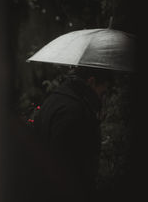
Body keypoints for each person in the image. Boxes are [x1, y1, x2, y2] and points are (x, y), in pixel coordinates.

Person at [32, 66, 114, 202]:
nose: (102, 98)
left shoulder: (56, 99)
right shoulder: (75, 112)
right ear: (92, 82)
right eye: (102, 92)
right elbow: (70, 167)